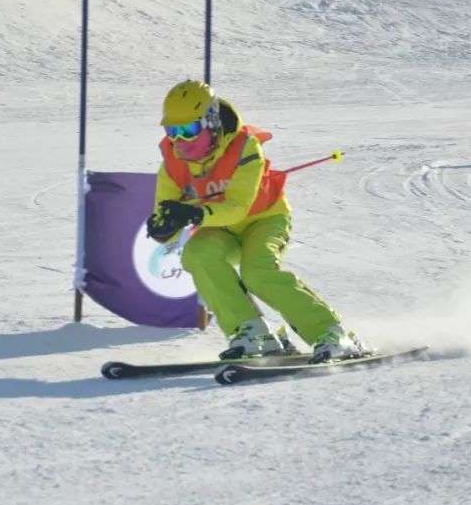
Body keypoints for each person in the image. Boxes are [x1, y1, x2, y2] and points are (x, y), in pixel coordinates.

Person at [146, 79, 367, 363]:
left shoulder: (245, 148)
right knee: (197, 253)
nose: (180, 141)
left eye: (189, 130)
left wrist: (195, 213)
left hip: (264, 219)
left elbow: (238, 206)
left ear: (211, 122)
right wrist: (164, 229)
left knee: (256, 272)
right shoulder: (172, 164)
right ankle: (252, 333)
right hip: (219, 228)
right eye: (172, 131)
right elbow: (166, 215)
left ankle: (332, 333)